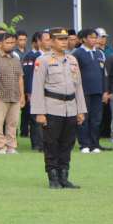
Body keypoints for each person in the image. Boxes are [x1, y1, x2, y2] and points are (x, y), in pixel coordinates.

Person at [30, 27, 87, 188]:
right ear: (52, 41)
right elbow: (37, 87)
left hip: (70, 107)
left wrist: (81, 110)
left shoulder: (72, 60)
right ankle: (53, 177)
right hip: (52, 108)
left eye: (65, 39)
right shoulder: (43, 60)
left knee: (67, 144)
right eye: (60, 39)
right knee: (51, 144)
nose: (64, 42)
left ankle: (64, 176)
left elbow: (79, 87)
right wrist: (39, 113)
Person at [0, 32, 25, 154]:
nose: (11, 45)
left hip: (15, 95)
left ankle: (11, 146)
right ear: (1, 44)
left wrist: (22, 96)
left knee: (13, 123)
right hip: (0, 96)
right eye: (8, 43)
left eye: (13, 42)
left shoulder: (16, 58)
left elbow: (20, 78)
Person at [71, 29, 107, 153]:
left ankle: (95, 144)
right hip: (83, 91)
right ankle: (84, 144)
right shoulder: (77, 53)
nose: (94, 40)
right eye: (91, 37)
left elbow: (103, 74)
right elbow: (74, 74)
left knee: (96, 118)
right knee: (83, 118)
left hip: (97, 90)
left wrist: (104, 90)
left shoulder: (99, 53)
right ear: (84, 39)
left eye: (95, 37)